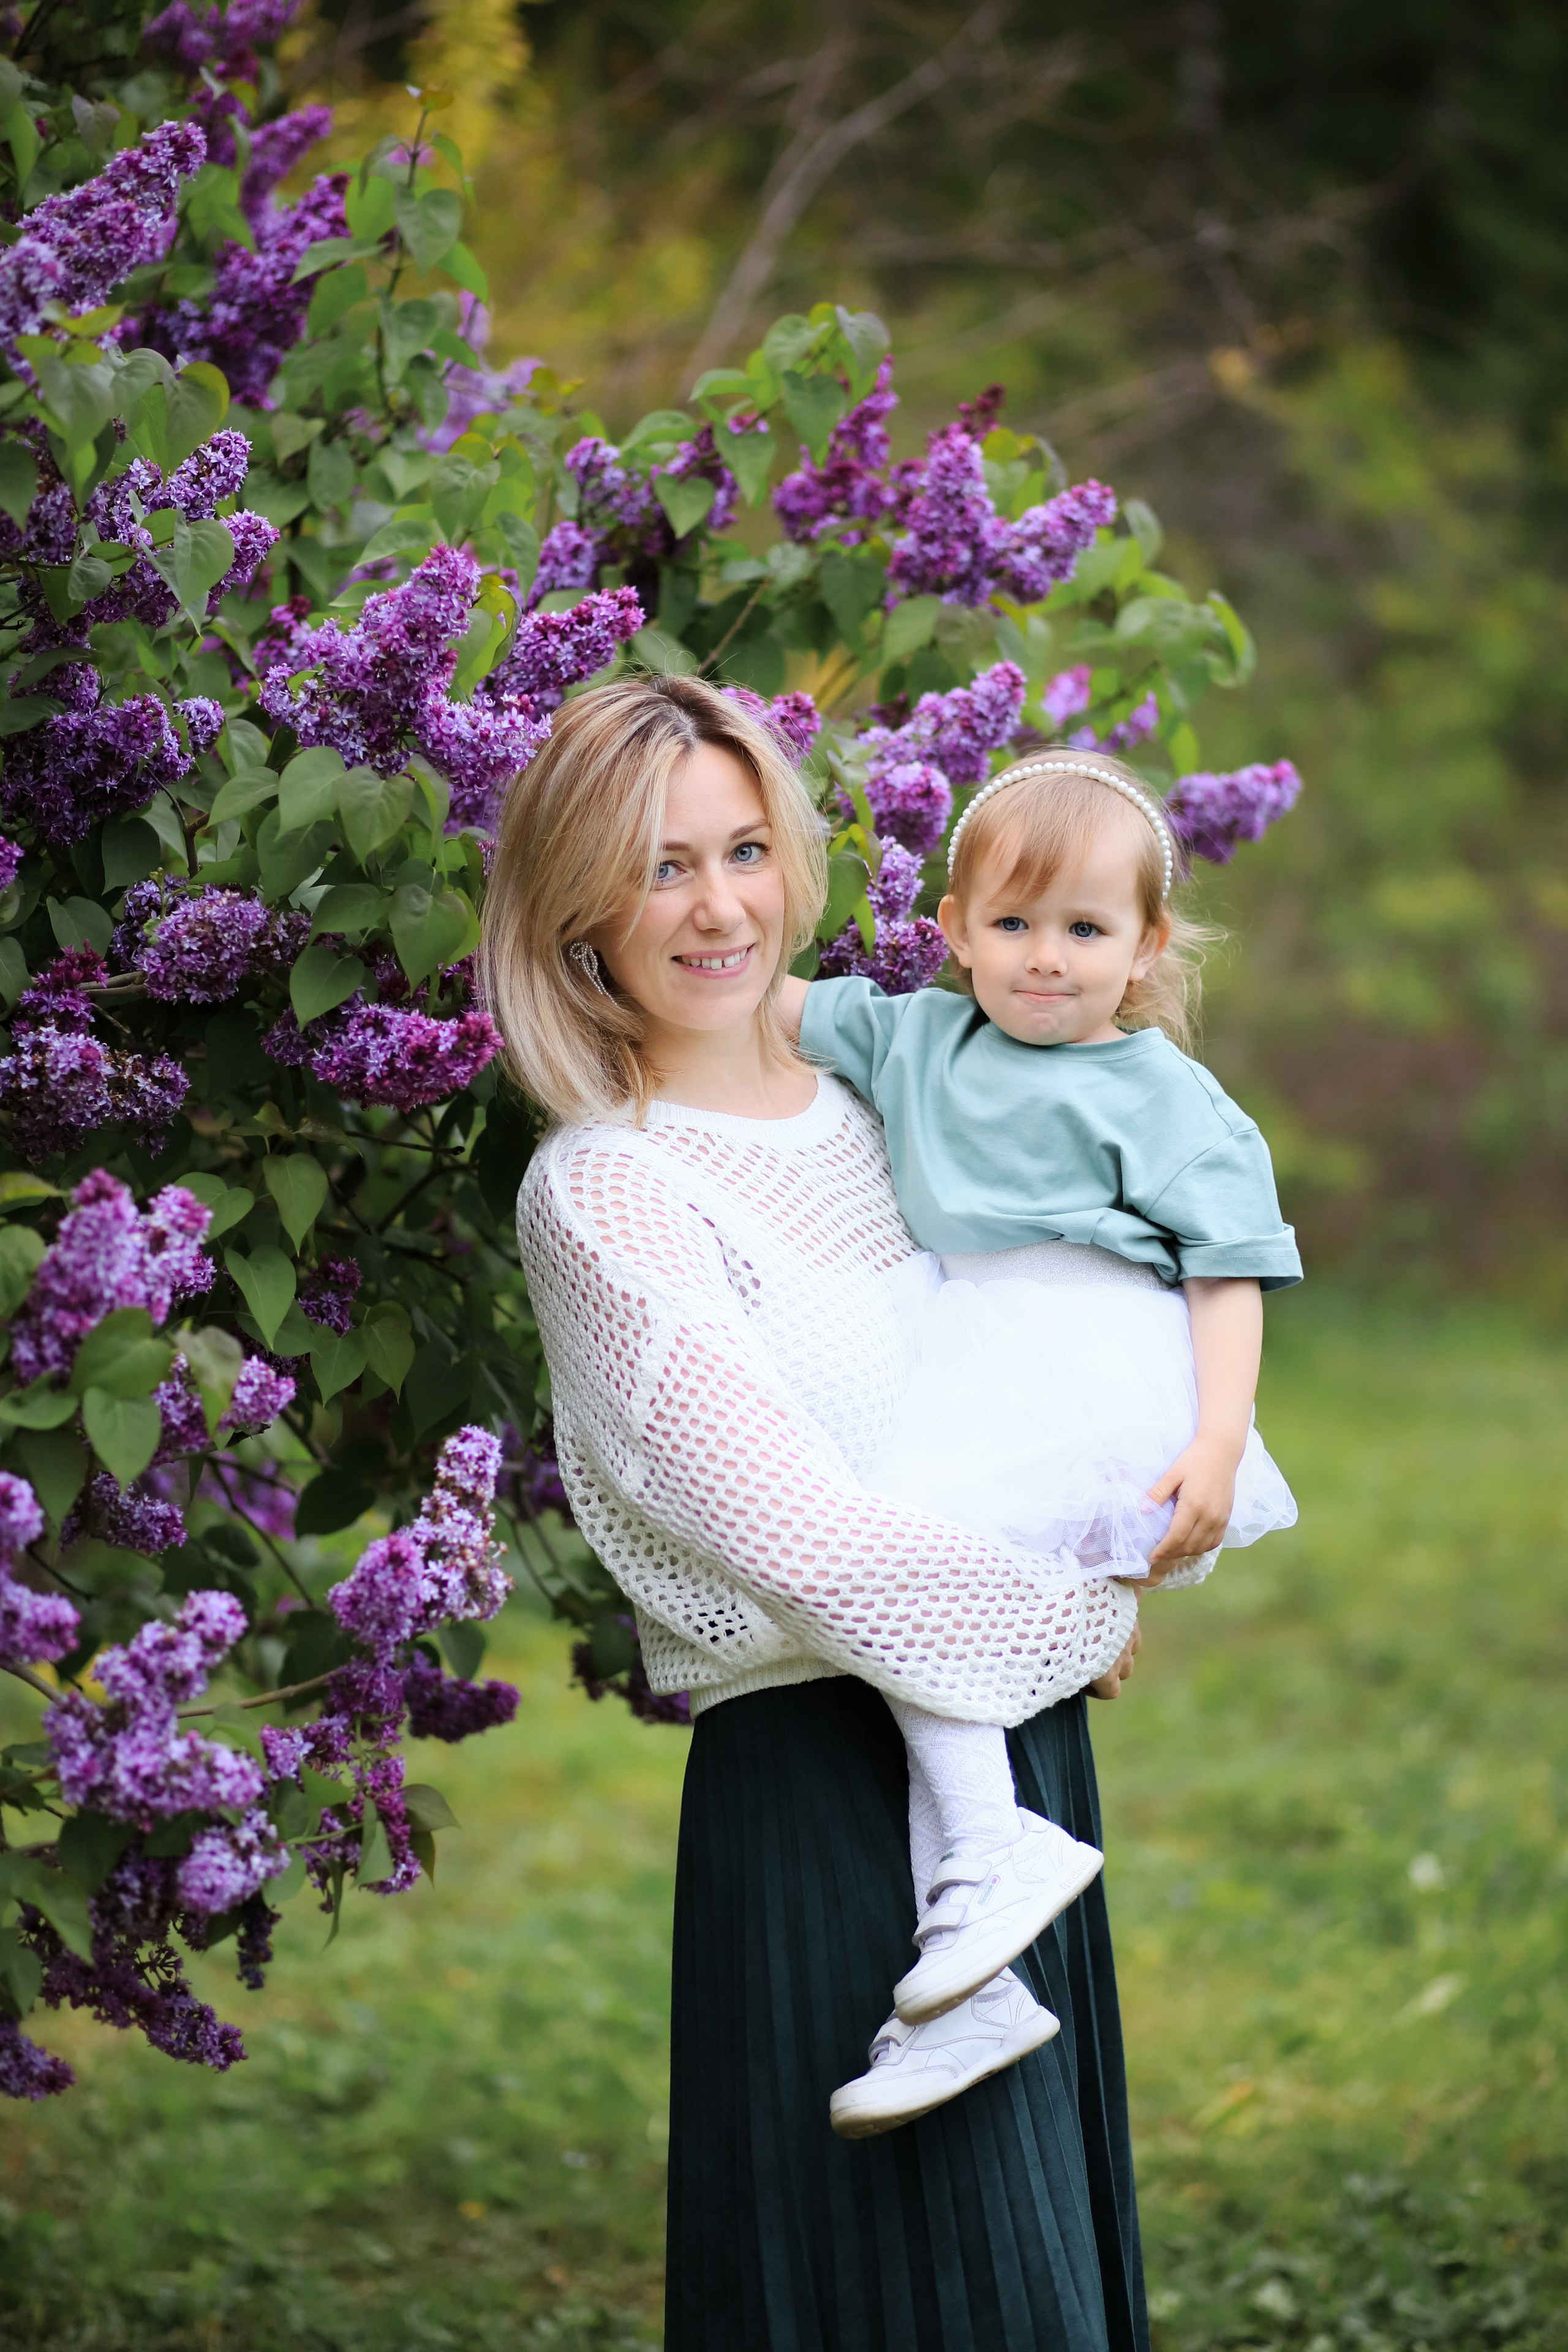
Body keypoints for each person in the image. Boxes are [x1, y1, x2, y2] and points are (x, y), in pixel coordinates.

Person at [482, 673, 1156, 2352]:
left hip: (1013, 1756)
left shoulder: (893, 1084)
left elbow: (1065, 1313)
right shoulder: (609, 1191)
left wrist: (1114, 1524)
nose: (719, 908)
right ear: (577, 913)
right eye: (659, 869)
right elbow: (801, 1538)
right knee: (928, 2295)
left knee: (1047, 2275)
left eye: (742, 850)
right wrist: (1076, 1608)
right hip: (824, 1791)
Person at [778, 749, 1299, 2132]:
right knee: (919, 1612)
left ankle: (995, 1857)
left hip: (1086, 1352)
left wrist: (1219, 1437)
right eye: (1011, 923)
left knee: (909, 1584)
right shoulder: (913, 1037)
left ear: (1145, 946)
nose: (1046, 957)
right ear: (953, 929)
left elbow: (1227, 1272)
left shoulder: (1161, 1092)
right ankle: (973, 1969)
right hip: (964, 1351)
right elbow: (744, 997)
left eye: (1084, 928)